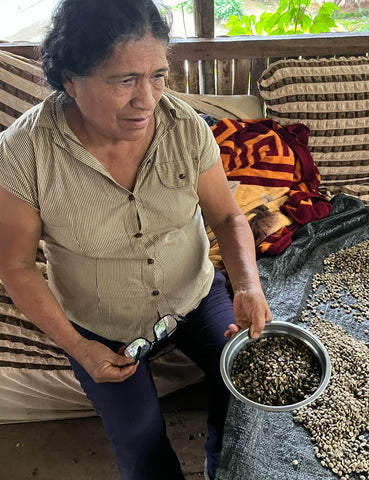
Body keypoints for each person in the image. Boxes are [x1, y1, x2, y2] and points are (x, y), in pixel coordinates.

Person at [0, 0, 272, 479]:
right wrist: (79, 348)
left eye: (159, 76)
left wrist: (247, 284)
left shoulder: (184, 127)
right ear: (70, 79)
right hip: (99, 322)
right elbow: (17, 265)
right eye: (124, 80)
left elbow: (228, 217)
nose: (147, 99)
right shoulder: (25, 153)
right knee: (140, 439)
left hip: (193, 292)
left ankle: (218, 467)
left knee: (245, 393)